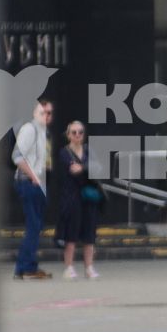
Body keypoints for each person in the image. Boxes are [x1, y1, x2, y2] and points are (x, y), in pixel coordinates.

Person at [12, 97, 54, 281]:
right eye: (43, 112)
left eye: (49, 113)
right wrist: (33, 176)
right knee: (33, 226)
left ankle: (26, 266)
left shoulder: (43, 132)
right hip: (28, 182)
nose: (47, 116)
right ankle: (25, 267)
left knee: (35, 226)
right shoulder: (29, 129)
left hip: (37, 183)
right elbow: (17, 156)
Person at [57, 120, 100, 280]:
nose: (77, 135)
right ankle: (69, 267)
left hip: (88, 197)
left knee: (89, 234)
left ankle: (89, 268)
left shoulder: (89, 150)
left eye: (80, 132)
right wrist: (86, 168)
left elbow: (97, 167)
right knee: (71, 234)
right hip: (72, 198)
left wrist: (83, 168)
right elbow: (71, 169)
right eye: (74, 132)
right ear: (68, 135)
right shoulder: (64, 152)